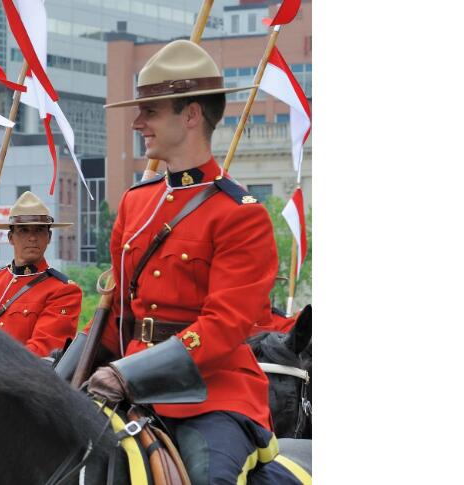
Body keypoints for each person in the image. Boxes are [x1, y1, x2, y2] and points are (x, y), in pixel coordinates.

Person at [63, 40, 306, 484]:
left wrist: (125, 373)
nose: (138, 123)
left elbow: (223, 327)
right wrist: (53, 382)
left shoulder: (241, 214)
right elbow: (114, 315)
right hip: (128, 388)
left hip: (211, 396)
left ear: (191, 115)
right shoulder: (137, 205)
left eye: (150, 112)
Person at [0, 191, 82, 357]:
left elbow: (42, 350)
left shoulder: (63, 291)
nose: (32, 238)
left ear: (49, 237)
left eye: (39, 230)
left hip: (21, 379)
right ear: (11, 237)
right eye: (24, 230)